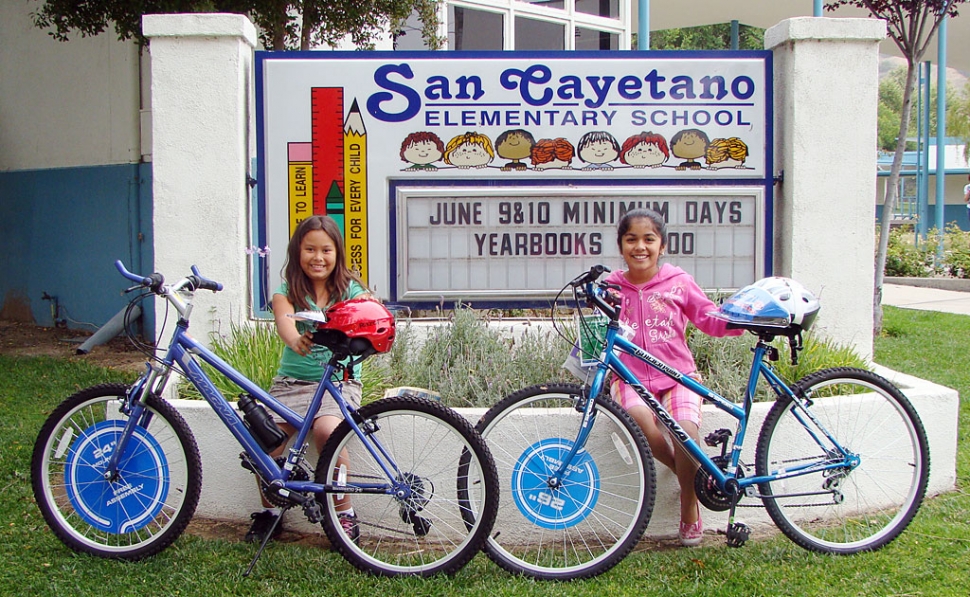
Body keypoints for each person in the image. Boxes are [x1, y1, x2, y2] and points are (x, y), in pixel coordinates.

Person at [604, 208, 742, 547]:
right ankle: (695, 476)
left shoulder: (678, 283)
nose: (640, 247)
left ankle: (689, 503)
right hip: (628, 377)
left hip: (678, 375)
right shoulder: (610, 287)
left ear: (662, 246)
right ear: (621, 246)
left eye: (649, 239)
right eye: (631, 239)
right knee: (640, 423)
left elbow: (708, 317)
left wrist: (740, 321)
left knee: (687, 431)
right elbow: (597, 333)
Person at [245, 215, 370, 545]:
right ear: (297, 252)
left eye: (326, 250)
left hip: (338, 382)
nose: (318, 257)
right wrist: (294, 340)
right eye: (310, 249)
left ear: (337, 253)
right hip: (291, 384)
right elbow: (285, 321)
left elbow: (366, 314)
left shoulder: (351, 289)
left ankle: (343, 512)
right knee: (263, 438)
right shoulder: (286, 290)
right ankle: (272, 512)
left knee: (328, 432)